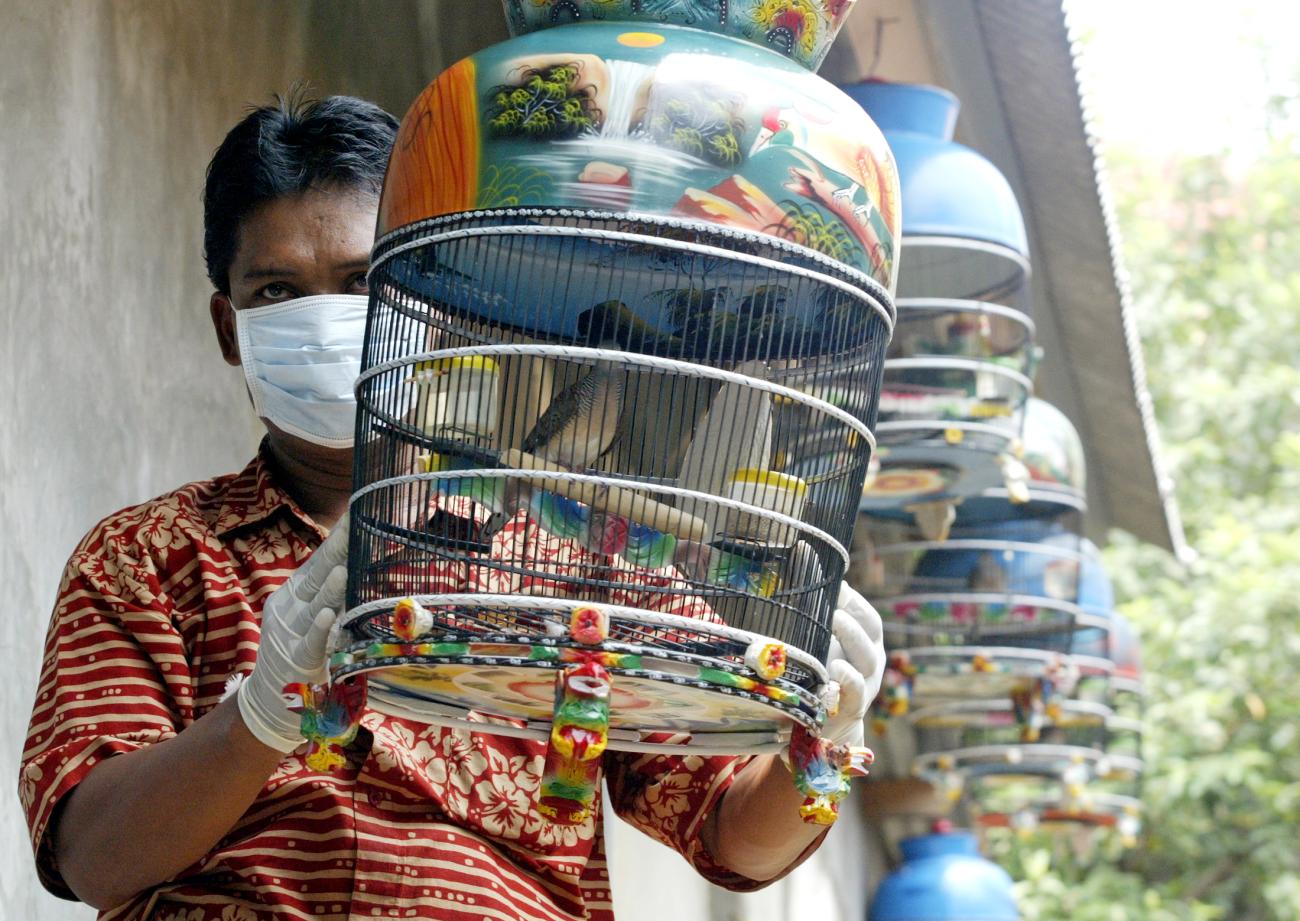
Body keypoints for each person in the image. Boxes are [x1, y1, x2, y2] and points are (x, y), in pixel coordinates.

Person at [19, 93, 885, 921]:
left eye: (362, 280)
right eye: (278, 291)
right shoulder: (145, 557)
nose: (325, 317)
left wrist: (824, 737)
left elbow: (732, 832)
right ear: (227, 326)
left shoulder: (577, 551)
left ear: (433, 295)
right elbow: (94, 854)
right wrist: (257, 715)